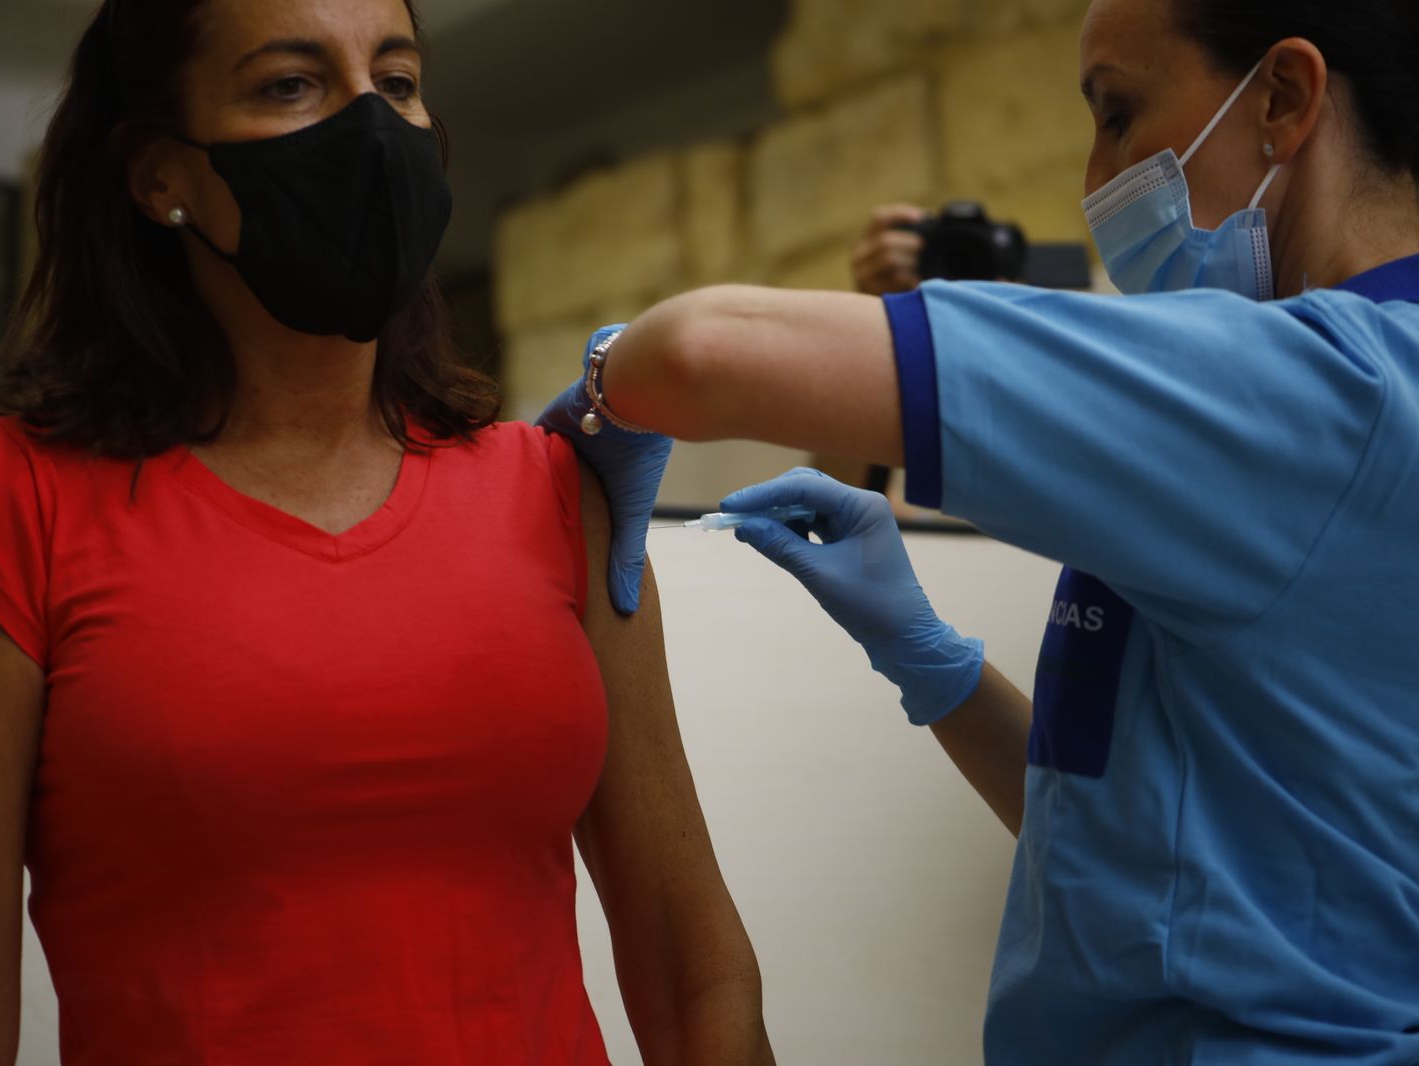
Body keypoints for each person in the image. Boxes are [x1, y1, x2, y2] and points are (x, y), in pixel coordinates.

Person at [0, 1, 775, 1063]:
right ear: (161, 175)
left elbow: (691, 964)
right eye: (289, 85)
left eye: (394, 81)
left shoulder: (555, 492)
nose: (369, 127)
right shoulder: (11, 503)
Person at [541, 0, 1419, 1062]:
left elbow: (703, 352)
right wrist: (936, 668)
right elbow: (1148, 854)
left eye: (1118, 113)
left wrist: (607, 381)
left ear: (1281, 98)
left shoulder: (1313, 395)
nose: (1095, 183)